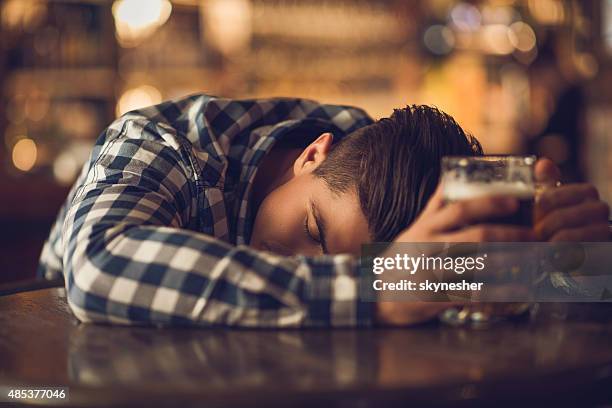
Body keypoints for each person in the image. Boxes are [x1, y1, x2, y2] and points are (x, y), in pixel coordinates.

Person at [38, 94, 610, 328]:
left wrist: (575, 258)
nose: (303, 259)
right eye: (313, 229)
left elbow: (526, 186)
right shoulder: (159, 143)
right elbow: (96, 270)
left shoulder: (403, 164)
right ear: (312, 156)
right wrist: (376, 287)